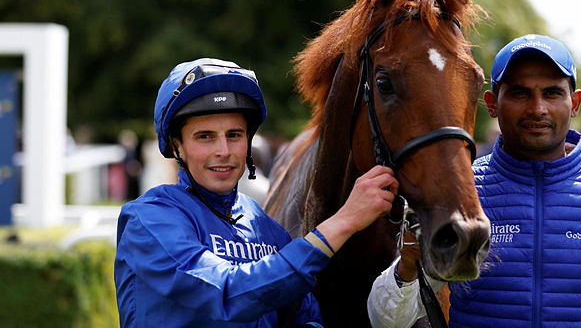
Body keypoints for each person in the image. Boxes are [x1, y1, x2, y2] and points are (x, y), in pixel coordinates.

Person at [114, 58, 399, 327]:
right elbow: (228, 293)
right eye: (205, 136)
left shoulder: (265, 227)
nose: (223, 151)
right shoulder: (149, 220)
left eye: (234, 135)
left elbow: (303, 316)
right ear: (177, 147)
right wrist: (344, 221)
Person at [367, 34, 581, 327]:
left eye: (552, 93)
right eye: (519, 93)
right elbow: (387, 322)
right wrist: (409, 266)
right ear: (491, 103)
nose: (537, 108)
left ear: (574, 103)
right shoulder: (460, 191)